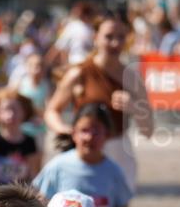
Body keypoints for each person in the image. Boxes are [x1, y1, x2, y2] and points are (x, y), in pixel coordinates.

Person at [44, 12, 153, 193]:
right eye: (109, 37)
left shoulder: (132, 77)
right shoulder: (80, 73)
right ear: (95, 38)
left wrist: (135, 108)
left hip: (118, 150)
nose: (115, 43)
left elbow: (148, 130)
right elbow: (52, 110)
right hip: (86, 149)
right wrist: (64, 130)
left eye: (121, 37)